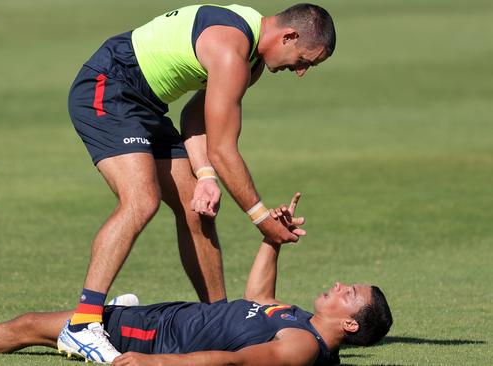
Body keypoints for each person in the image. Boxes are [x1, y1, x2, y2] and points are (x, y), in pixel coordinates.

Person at [63, 2, 336, 361]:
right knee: (141, 200)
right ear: (289, 35)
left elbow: (194, 116)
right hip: (107, 86)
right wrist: (261, 218)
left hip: (145, 105)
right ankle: (83, 324)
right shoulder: (231, 51)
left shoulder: (249, 59)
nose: (300, 71)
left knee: (198, 207)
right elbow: (223, 149)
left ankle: (216, 318)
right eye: (304, 60)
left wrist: (205, 177)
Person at [0, 195, 392, 366]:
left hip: (156, 339)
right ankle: (109, 319)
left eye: (351, 294)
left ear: (349, 321)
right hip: (163, 319)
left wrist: (151, 362)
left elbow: (228, 361)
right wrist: (272, 239)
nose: (341, 284)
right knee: (51, 323)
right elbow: (256, 299)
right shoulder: (296, 319)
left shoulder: (301, 345)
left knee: (30, 326)